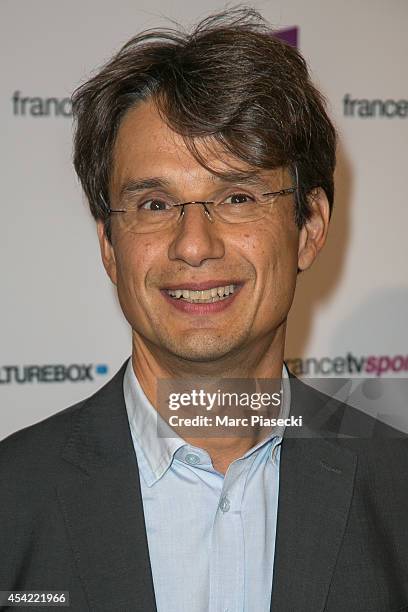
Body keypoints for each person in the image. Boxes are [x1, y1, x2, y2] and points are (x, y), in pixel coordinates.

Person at [1, 7, 407, 612]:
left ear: (309, 228)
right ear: (109, 245)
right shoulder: (11, 499)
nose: (194, 245)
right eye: (155, 204)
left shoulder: (398, 491)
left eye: (237, 196)